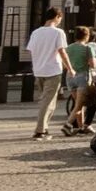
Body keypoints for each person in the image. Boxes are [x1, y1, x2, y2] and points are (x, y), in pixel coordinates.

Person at [25, 7, 69, 138]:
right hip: (53, 70)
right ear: (57, 17)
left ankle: (45, 127)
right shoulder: (58, 32)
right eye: (60, 18)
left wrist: (37, 64)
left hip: (39, 70)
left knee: (49, 101)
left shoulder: (36, 33)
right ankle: (40, 130)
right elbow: (62, 52)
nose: (60, 21)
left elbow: (32, 51)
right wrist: (70, 68)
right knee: (47, 102)